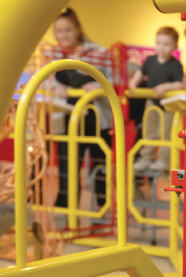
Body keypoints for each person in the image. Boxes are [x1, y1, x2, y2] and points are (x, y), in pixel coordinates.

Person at [52, 8, 113, 212]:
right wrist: (55, 88)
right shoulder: (51, 54)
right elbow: (42, 82)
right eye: (58, 31)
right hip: (66, 120)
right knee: (66, 168)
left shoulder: (99, 52)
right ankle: (67, 214)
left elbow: (116, 82)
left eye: (68, 30)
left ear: (78, 29)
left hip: (97, 120)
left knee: (99, 167)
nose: (63, 35)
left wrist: (99, 86)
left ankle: (102, 212)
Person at [129, 27, 184, 172]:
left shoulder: (175, 65)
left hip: (167, 104)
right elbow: (141, 72)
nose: (162, 47)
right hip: (151, 102)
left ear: (175, 47)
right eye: (159, 43)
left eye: (167, 44)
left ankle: (163, 159)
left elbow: (180, 83)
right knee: (149, 130)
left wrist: (165, 87)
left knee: (166, 132)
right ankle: (147, 157)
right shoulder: (150, 60)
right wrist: (134, 82)